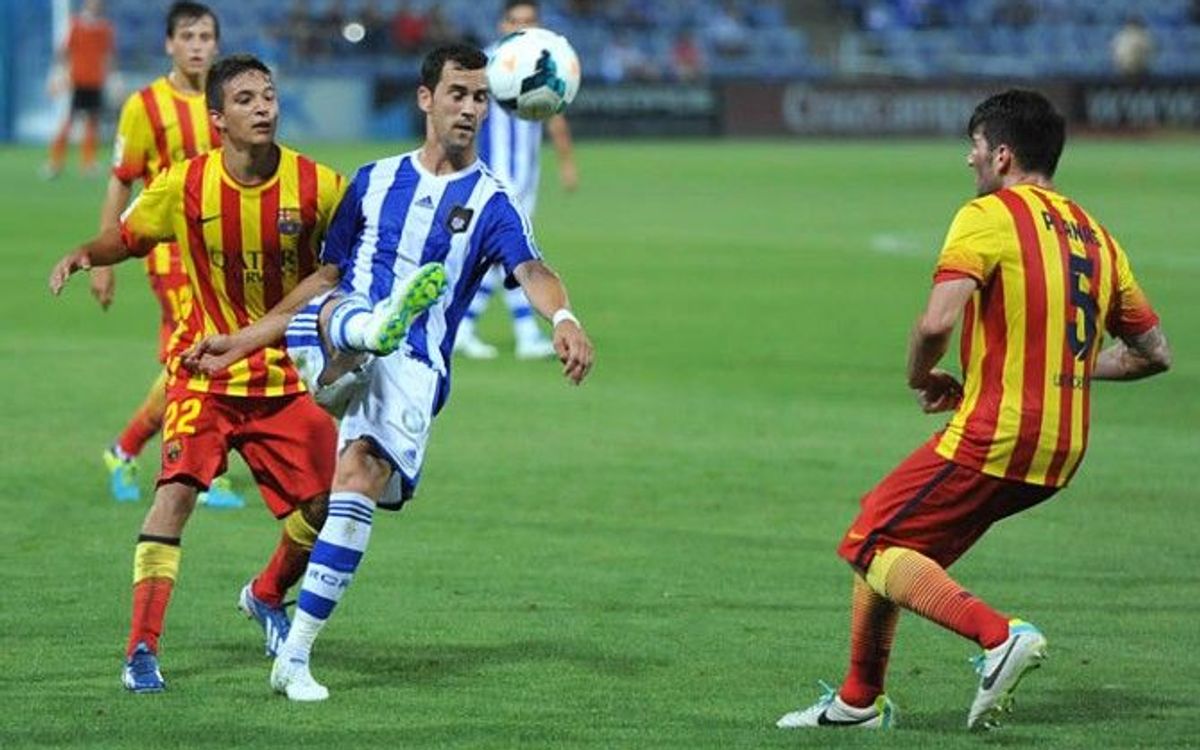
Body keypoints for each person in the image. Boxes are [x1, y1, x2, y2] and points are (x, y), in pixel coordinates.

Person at [185, 42, 595, 701]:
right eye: (458, 93)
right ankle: (373, 327)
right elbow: (324, 274)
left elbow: (532, 271)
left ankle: (293, 656)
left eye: (482, 97)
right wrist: (242, 341)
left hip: (413, 370)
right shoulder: (373, 181)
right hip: (340, 329)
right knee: (337, 308)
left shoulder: (493, 202)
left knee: (354, 487)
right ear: (425, 98)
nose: (470, 108)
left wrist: (564, 318)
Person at [777, 89, 1171, 731]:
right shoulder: (1099, 238)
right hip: (1062, 449)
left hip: (1001, 432)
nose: (970, 161)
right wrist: (1059, 367)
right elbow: (1154, 352)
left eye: (976, 148)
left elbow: (938, 320)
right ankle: (857, 704)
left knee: (871, 540)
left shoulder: (989, 215)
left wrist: (920, 373)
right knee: (898, 551)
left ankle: (999, 636)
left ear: (1004, 155)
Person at [47, 54, 428, 694]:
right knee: (174, 494)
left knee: (326, 505)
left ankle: (265, 594)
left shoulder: (319, 187)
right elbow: (130, 236)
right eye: (247, 99)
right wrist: (87, 254)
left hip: (284, 376)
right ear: (218, 117)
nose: (263, 108)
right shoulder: (184, 185)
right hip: (205, 372)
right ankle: (141, 649)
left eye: (269, 96)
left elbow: (348, 259)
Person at [91, 2, 244, 507]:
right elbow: (121, 181)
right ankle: (207, 469)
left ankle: (126, 448)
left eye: (205, 36)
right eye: (188, 36)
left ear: (217, 44)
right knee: (208, 351)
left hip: (222, 254)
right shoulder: (145, 106)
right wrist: (104, 257)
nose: (198, 45)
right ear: (169, 45)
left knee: (185, 365)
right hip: (169, 255)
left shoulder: (230, 99)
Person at [453, 0, 580, 360]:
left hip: (527, 172)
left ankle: (465, 327)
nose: (522, 26)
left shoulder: (547, 57)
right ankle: (525, 334)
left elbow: (555, 112)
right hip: (497, 173)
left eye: (529, 20)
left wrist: (566, 162)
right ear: (501, 24)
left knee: (502, 254)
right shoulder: (488, 64)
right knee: (514, 251)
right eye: (515, 20)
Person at [44, 0, 114, 178]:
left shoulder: (104, 28)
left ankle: (88, 163)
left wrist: (113, 79)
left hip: (96, 81)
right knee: (69, 122)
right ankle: (55, 162)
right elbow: (63, 53)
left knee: (92, 122)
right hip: (78, 80)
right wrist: (57, 76)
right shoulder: (75, 25)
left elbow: (109, 55)